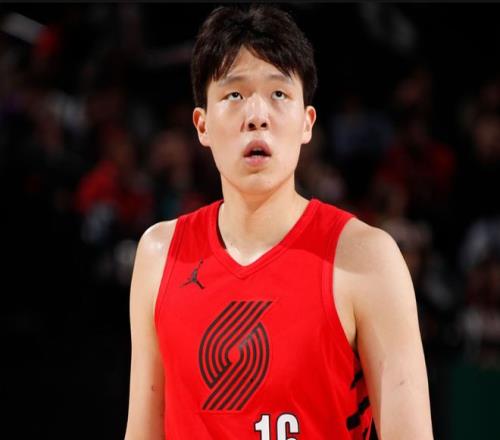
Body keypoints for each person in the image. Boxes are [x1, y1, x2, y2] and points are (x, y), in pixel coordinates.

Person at [125, 4, 434, 439]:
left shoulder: (366, 257)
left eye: (279, 94)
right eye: (234, 95)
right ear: (202, 125)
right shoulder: (159, 255)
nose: (257, 116)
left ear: (307, 123)